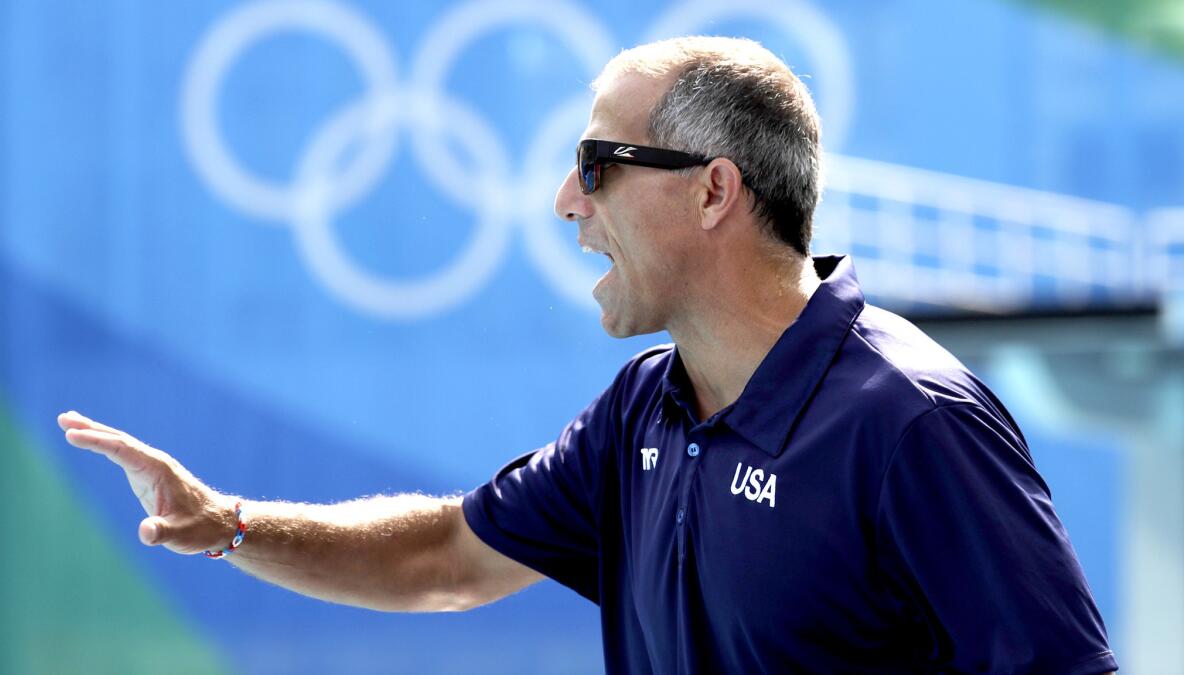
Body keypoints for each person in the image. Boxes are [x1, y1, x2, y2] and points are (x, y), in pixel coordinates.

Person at [60, 36, 1117, 674]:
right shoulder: (645, 412)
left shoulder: (909, 424)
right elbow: (444, 558)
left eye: (597, 166)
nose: (568, 202)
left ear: (714, 190)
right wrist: (229, 526)